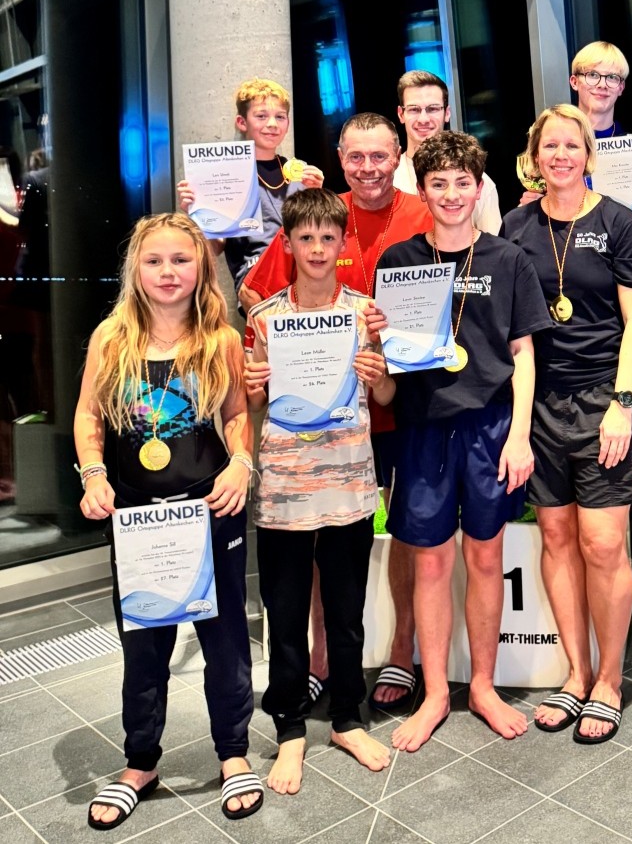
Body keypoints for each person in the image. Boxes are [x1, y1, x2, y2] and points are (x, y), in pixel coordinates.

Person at [74, 213, 261, 829]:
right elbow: (88, 418)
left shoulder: (221, 339)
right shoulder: (111, 338)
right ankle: (140, 761)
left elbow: (236, 414)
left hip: (209, 509)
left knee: (226, 636)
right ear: (136, 268)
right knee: (143, 640)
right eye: (154, 261)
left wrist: (240, 463)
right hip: (136, 514)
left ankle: (233, 753)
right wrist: (94, 475)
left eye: (181, 260)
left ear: (200, 268)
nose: (168, 272)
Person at [242, 112, 432, 711]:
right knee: (313, 550)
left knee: (400, 536)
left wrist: (389, 341)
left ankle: (399, 655)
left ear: (398, 154)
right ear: (341, 157)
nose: (368, 167)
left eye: (380, 156)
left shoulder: (424, 211)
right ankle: (317, 665)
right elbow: (259, 293)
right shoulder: (319, 213)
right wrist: (270, 360)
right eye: (356, 156)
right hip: (313, 437)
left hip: (400, 410)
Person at [374, 132, 551, 751]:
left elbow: (523, 354)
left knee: (484, 559)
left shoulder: (507, 260)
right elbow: (389, 360)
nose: (451, 195)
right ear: (422, 190)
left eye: (462, 183)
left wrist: (520, 435)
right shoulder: (398, 261)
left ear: (480, 188)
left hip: (490, 429)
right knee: (429, 563)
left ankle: (481, 684)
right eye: (438, 184)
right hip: (423, 431)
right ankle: (437, 693)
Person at [500, 104, 632, 744]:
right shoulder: (516, 224)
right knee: (556, 541)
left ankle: (611, 680)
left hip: (603, 402)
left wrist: (622, 401)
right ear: (534, 156)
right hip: (541, 404)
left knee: (603, 545)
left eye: (572, 145)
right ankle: (576, 671)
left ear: (589, 154)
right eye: (549, 146)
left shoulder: (619, 222)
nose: (560, 155)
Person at [244, 187, 395, 794]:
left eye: (327, 238)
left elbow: (384, 400)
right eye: (304, 238)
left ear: (342, 245)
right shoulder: (263, 319)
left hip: (349, 486)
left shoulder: (365, 313)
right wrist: (254, 381)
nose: (316, 248)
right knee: (283, 616)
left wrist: (379, 372)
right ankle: (289, 731)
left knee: (345, 611)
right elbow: (252, 406)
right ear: (288, 244)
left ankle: (347, 718)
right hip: (283, 490)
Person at [177, 78, 324, 313]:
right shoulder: (223, 176)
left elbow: (320, 235)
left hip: (304, 277)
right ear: (241, 122)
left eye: (280, 116)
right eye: (261, 116)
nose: (272, 124)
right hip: (256, 282)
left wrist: (319, 198)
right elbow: (215, 247)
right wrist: (196, 214)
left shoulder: (300, 175)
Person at [520, 42, 632, 208]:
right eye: (592, 75)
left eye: (612, 77)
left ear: (621, 87)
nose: (602, 84)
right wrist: (533, 208)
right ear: (574, 81)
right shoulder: (551, 151)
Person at [393, 70, 502, 234]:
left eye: (433, 109)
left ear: (447, 113)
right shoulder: (389, 179)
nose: (423, 119)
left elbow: (494, 249)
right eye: (414, 109)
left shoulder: (476, 181)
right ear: (401, 114)